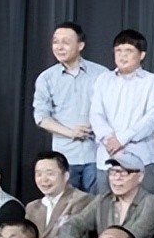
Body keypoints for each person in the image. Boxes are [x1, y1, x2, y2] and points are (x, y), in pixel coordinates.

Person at [33, 21, 109, 193]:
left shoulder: (102, 74)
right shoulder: (46, 78)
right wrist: (71, 132)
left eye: (65, 42)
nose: (59, 47)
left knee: (98, 204)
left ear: (80, 45)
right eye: (55, 42)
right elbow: (41, 117)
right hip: (65, 157)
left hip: (97, 154)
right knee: (67, 205)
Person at [60, 153, 154, 238]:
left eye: (123, 173)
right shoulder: (103, 200)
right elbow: (71, 225)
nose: (117, 178)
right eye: (113, 172)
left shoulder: (151, 203)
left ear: (140, 177)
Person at [90, 29, 154, 194]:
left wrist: (121, 139)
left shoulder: (151, 81)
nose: (122, 55)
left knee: (142, 205)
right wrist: (110, 140)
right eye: (118, 50)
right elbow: (96, 114)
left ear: (142, 54)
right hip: (107, 157)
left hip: (140, 158)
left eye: (129, 51)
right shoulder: (103, 79)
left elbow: (151, 119)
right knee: (105, 206)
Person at [24, 151, 95, 238]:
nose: (44, 179)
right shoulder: (31, 207)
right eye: (39, 174)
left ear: (66, 176)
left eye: (50, 173)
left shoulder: (82, 199)